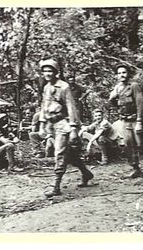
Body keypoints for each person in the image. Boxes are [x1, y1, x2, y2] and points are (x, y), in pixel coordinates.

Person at [38, 59, 94, 197]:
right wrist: (42, 124)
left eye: (50, 70)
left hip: (63, 124)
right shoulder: (46, 87)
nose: (47, 73)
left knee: (60, 153)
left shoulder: (64, 87)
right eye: (45, 70)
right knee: (69, 154)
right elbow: (44, 106)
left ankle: (56, 186)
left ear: (56, 72)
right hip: (51, 124)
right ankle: (86, 173)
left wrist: (74, 128)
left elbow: (71, 108)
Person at [109, 64, 143, 178]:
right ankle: (136, 168)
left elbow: (140, 104)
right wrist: (112, 98)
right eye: (119, 73)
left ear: (128, 74)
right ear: (116, 76)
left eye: (124, 72)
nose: (122, 75)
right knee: (129, 145)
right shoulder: (117, 88)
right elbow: (116, 105)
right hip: (125, 121)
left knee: (142, 145)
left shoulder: (134, 86)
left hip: (136, 120)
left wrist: (139, 122)